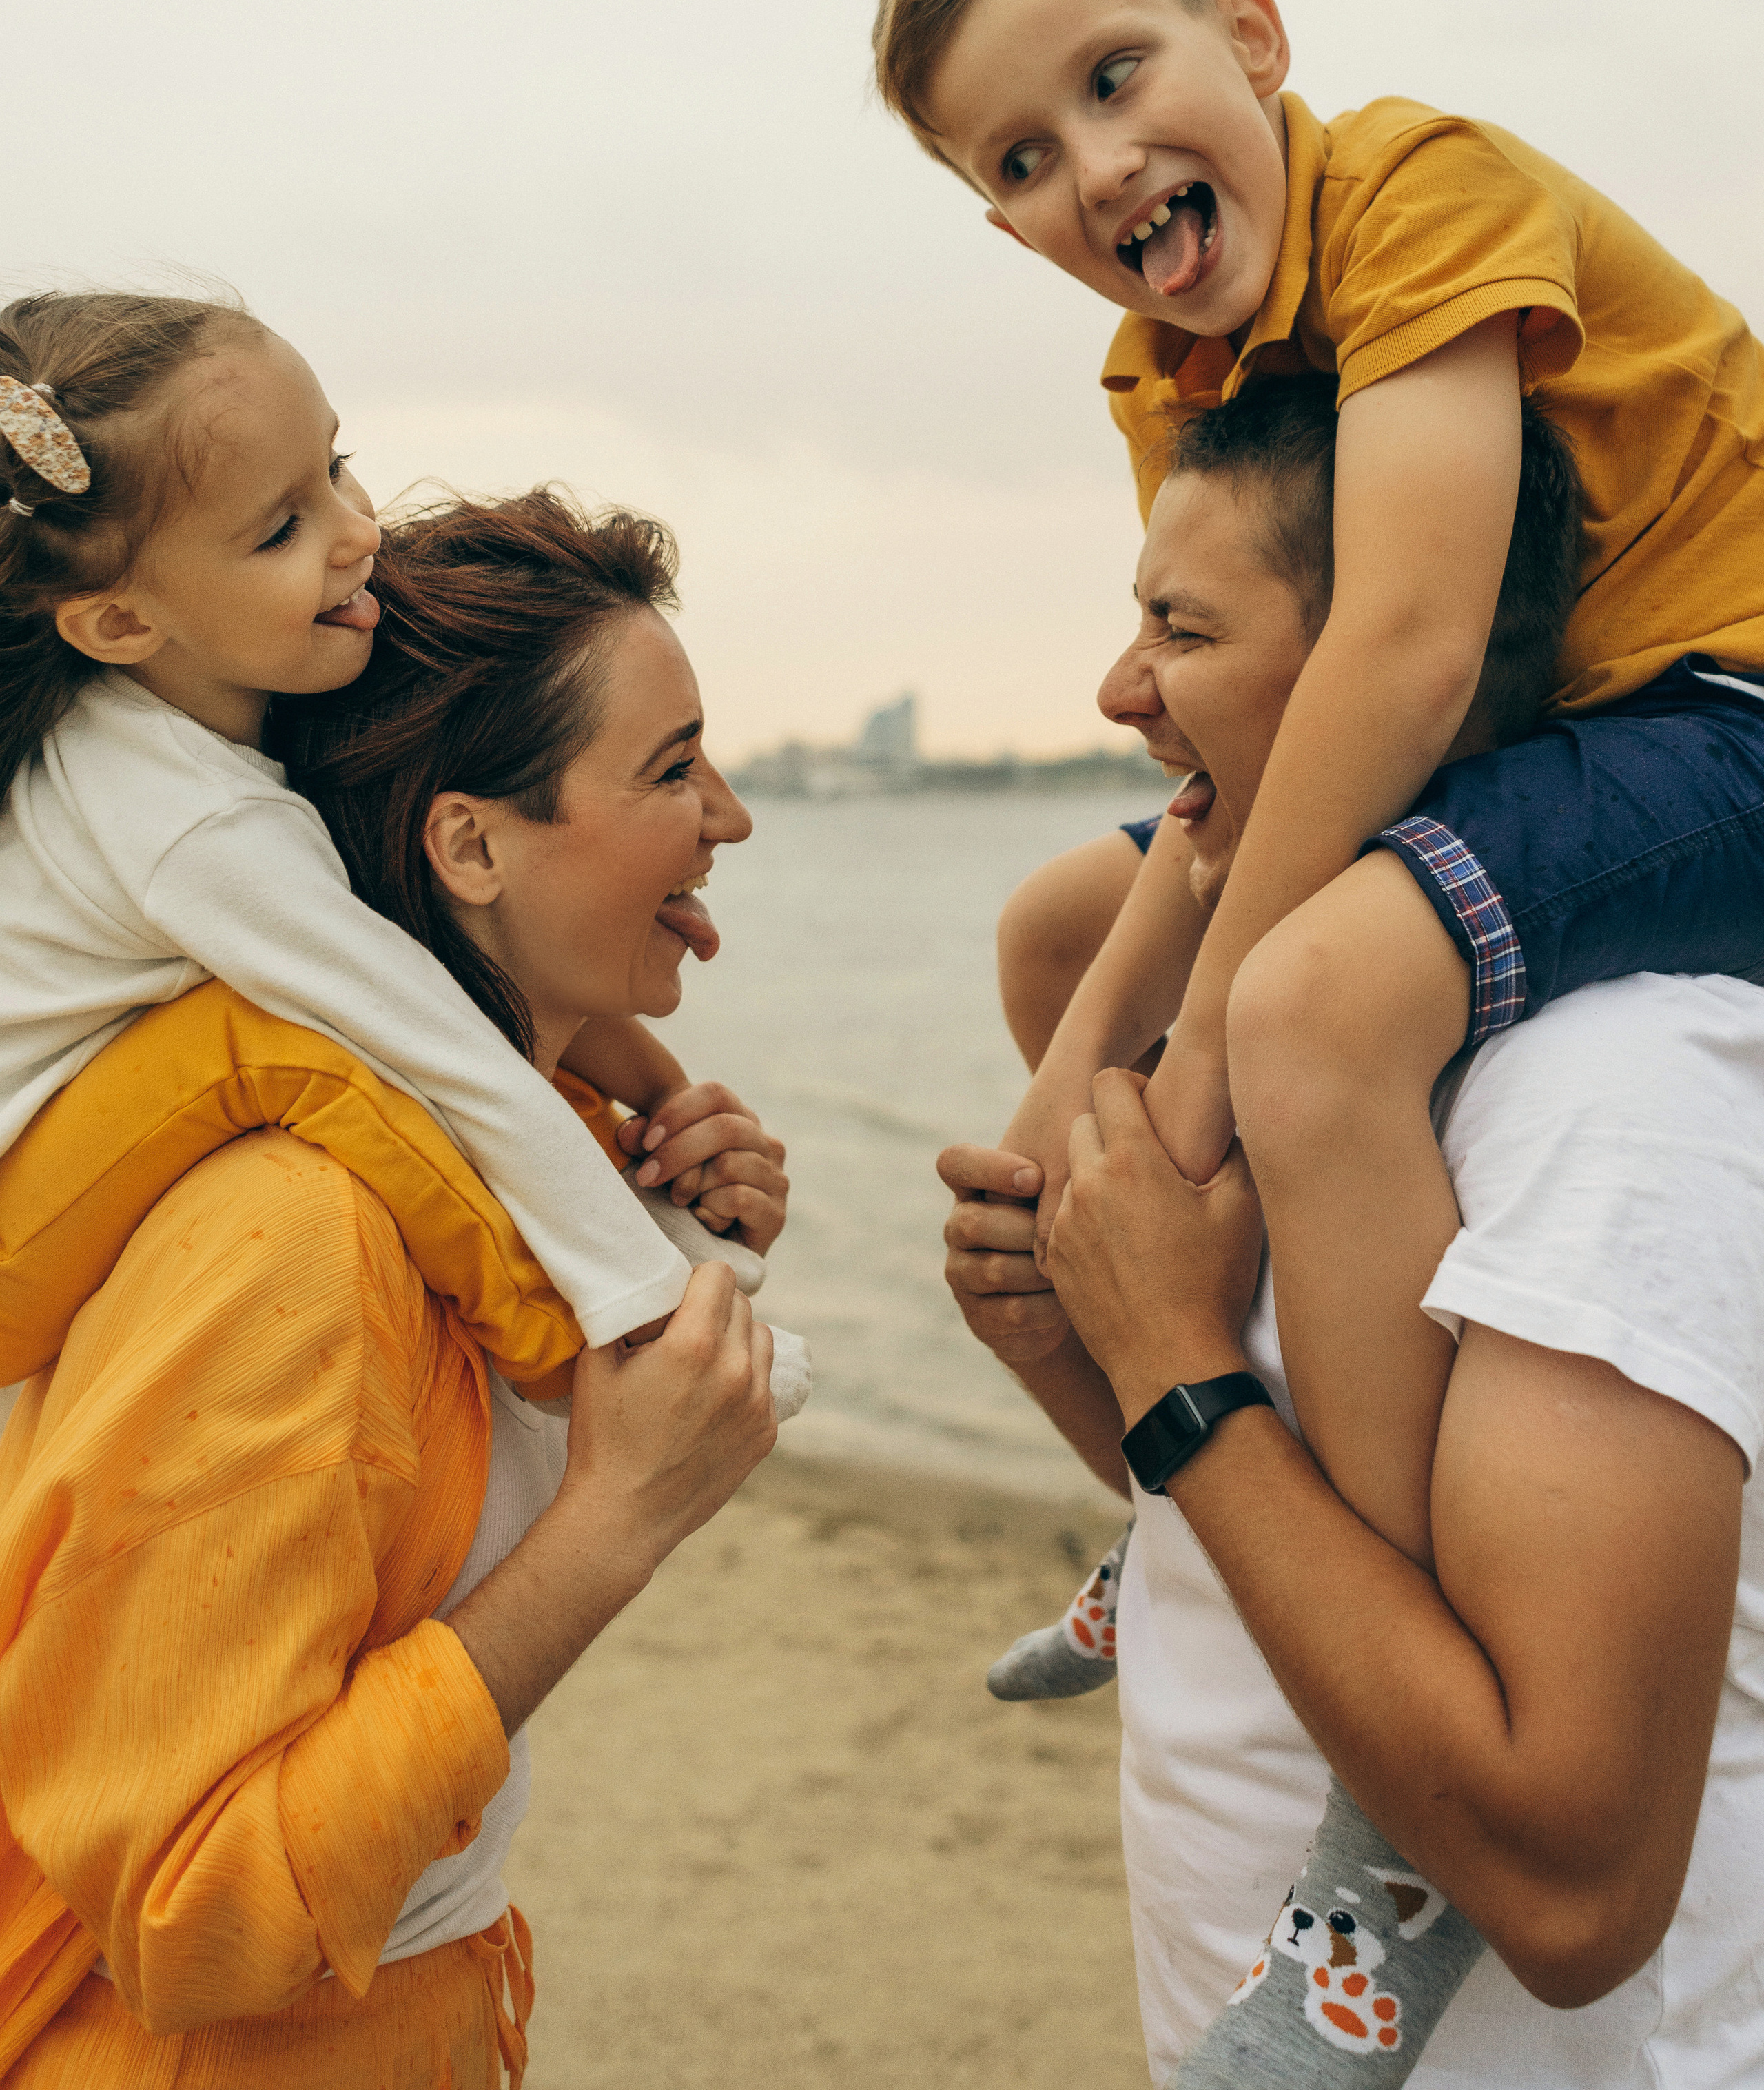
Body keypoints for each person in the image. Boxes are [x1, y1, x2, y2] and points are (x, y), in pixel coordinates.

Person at [873, 0, 1764, 2056]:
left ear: (1253, 34)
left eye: (1118, 76)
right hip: (1544, 736)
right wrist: (1089, 1161)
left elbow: (1402, 631)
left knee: (1316, 1005)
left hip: (1726, 709)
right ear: (997, 220)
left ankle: (1398, 1721)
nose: (1099, 166)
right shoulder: (1168, 369)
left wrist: (1191, 1111)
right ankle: (1201, 1500)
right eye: (1024, 157)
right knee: (1072, 914)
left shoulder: (1422, 192)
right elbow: (1222, 702)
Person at [939, 383, 1764, 2084]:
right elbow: (1252, 1537)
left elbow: (1569, 1883)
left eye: (1179, 628)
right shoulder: (1268, 1042)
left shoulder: (1608, 1104)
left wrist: (1170, 1366)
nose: (1114, 690)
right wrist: (1069, 1339)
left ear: (1383, 674)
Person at [0, 478, 787, 2082]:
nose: (729, 815)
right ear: (472, 845)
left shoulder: (505, 1174)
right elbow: (187, 1920)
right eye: (670, 767)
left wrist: (675, 1208)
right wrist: (610, 1529)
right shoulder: (293, 1240)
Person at [0, 292, 806, 1411]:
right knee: (318, 1059)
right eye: (281, 529)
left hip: (61, 1181)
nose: (357, 531)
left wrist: (664, 1116)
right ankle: (601, 1343)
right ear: (124, 623)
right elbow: (435, 1040)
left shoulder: (201, 710)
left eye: (336, 467)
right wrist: (661, 1291)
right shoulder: (194, 822)